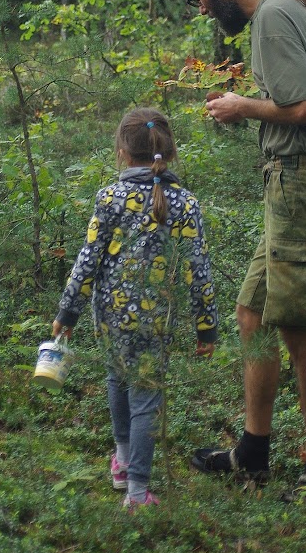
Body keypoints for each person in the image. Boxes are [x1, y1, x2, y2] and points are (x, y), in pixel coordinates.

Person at [180, 0, 306, 499]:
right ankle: (252, 452)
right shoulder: (295, 7)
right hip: (297, 184)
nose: (201, 8)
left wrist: (241, 106)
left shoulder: (274, 17)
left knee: (298, 326)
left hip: (304, 183)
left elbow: (303, 107)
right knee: (252, 314)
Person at [51, 107, 217, 508]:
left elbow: (88, 259)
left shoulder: (110, 197)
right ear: (170, 152)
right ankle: (138, 492)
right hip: (156, 321)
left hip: (110, 317)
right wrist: (206, 326)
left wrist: (67, 313)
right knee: (145, 399)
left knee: (117, 378)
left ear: (122, 153)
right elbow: (198, 269)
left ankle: (123, 463)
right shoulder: (185, 202)